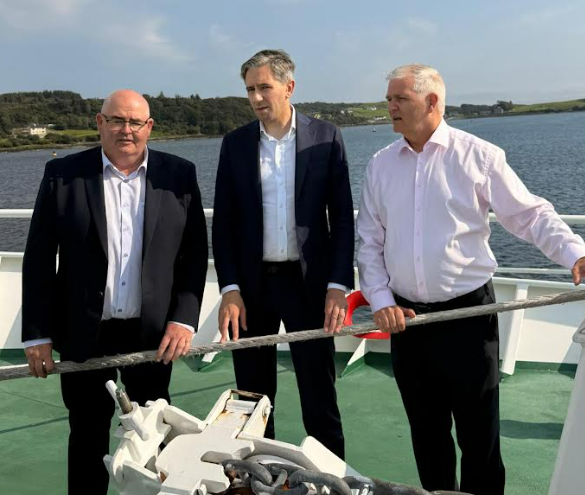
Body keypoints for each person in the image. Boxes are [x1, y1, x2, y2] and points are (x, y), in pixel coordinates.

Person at [356, 64, 585, 495]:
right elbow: (369, 241)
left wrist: (576, 253)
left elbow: (529, 215)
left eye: (400, 98)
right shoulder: (380, 165)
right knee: (427, 434)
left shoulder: (478, 155)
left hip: (469, 317)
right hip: (406, 320)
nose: (390, 107)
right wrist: (381, 299)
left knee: (479, 436)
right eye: (388, 99)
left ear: (431, 101)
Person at [22, 89, 208, 495]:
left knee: (154, 437)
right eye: (117, 120)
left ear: (149, 127)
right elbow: (39, 257)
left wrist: (184, 318)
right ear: (100, 122)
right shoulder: (64, 175)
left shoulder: (179, 174)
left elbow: (193, 256)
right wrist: (37, 333)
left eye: (136, 122)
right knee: (86, 435)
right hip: (83, 332)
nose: (127, 130)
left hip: (153, 334)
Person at [212, 49, 354, 459]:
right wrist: (230, 289)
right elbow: (224, 224)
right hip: (252, 288)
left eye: (264, 87)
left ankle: (329, 478)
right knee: (252, 400)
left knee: (319, 394)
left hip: (309, 286)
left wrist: (338, 284)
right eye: (250, 90)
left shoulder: (326, 137)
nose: (256, 98)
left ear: (289, 87)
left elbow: (342, 217)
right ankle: (259, 476)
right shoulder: (236, 144)